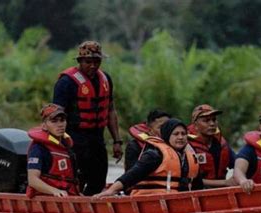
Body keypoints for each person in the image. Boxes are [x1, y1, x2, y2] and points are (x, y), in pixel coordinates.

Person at [53, 40, 122, 195]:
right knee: (77, 179)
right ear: (80, 61)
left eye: (96, 61)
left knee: (98, 180)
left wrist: (117, 141)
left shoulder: (106, 80)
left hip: (97, 138)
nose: (93, 66)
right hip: (73, 137)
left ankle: (90, 208)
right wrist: (57, 142)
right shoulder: (66, 82)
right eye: (88, 62)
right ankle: (75, 210)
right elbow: (56, 115)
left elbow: (110, 110)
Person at [94, 118, 202, 197]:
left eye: (183, 134)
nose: (180, 137)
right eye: (176, 134)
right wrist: (111, 190)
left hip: (178, 202)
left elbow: (197, 186)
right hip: (150, 201)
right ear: (167, 136)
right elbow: (132, 175)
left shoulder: (190, 157)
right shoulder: (154, 154)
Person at [26, 104, 79, 197]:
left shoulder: (66, 147)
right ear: (44, 126)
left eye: (62, 120)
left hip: (67, 195)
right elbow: (32, 180)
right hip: (47, 197)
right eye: (54, 121)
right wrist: (54, 191)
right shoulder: (38, 148)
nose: (60, 125)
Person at [188, 104, 236, 188]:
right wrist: (225, 182)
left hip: (221, 192)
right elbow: (188, 178)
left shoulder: (222, 143)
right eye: (206, 121)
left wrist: (239, 177)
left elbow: (237, 164)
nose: (212, 124)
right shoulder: (187, 145)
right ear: (195, 125)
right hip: (196, 192)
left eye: (214, 120)